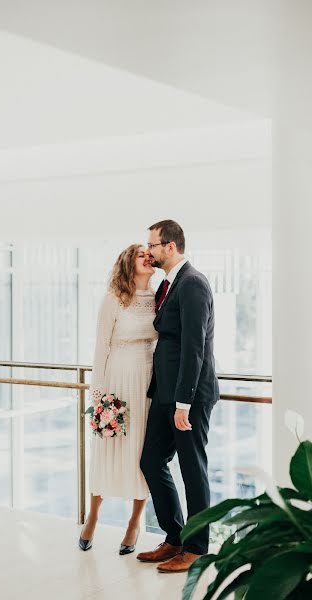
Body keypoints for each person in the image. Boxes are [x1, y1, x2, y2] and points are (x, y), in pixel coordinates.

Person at [137, 219, 219, 573]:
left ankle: (196, 548)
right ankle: (174, 535)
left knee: (192, 469)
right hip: (166, 393)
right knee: (151, 460)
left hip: (189, 397)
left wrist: (183, 402)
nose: (149, 251)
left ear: (171, 246)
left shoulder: (193, 283)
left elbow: (194, 347)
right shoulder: (169, 284)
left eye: (153, 245)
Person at [79, 244, 157, 555]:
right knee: (108, 448)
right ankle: (93, 516)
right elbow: (101, 348)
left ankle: (134, 523)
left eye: (149, 254)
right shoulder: (113, 298)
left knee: (143, 453)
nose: (148, 257)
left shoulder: (159, 297)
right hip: (118, 381)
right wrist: (98, 398)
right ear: (128, 262)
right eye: (142, 254)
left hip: (148, 381)